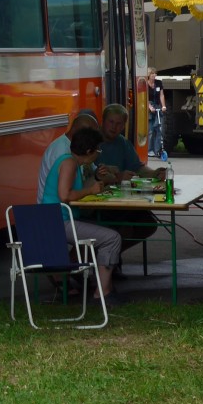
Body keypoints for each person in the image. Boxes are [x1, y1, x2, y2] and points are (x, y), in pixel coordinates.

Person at [40, 124, 123, 304]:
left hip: (57, 219)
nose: (98, 153)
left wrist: (95, 182)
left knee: (104, 230)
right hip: (57, 222)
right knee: (112, 238)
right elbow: (64, 195)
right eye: (98, 150)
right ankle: (102, 293)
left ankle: (102, 285)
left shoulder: (71, 162)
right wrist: (90, 190)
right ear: (88, 151)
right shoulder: (69, 164)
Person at [94, 103, 166, 257]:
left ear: (123, 126)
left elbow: (138, 167)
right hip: (96, 204)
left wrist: (155, 173)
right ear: (103, 121)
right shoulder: (93, 141)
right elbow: (91, 174)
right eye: (111, 122)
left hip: (119, 202)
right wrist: (117, 177)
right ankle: (107, 259)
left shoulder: (122, 142)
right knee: (123, 227)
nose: (114, 127)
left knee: (148, 224)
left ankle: (111, 256)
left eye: (119, 123)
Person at [36, 110, 98, 200]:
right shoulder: (64, 154)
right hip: (54, 208)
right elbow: (65, 195)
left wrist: (97, 176)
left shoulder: (77, 153)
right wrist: (90, 190)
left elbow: (80, 185)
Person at [147, 68, 167, 160]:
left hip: (157, 105)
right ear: (149, 75)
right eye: (152, 74)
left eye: (155, 73)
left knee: (159, 128)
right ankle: (149, 150)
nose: (154, 75)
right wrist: (150, 107)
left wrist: (163, 106)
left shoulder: (159, 83)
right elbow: (145, 96)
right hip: (149, 105)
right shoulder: (145, 83)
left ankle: (158, 150)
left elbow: (161, 95)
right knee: (151, 130)